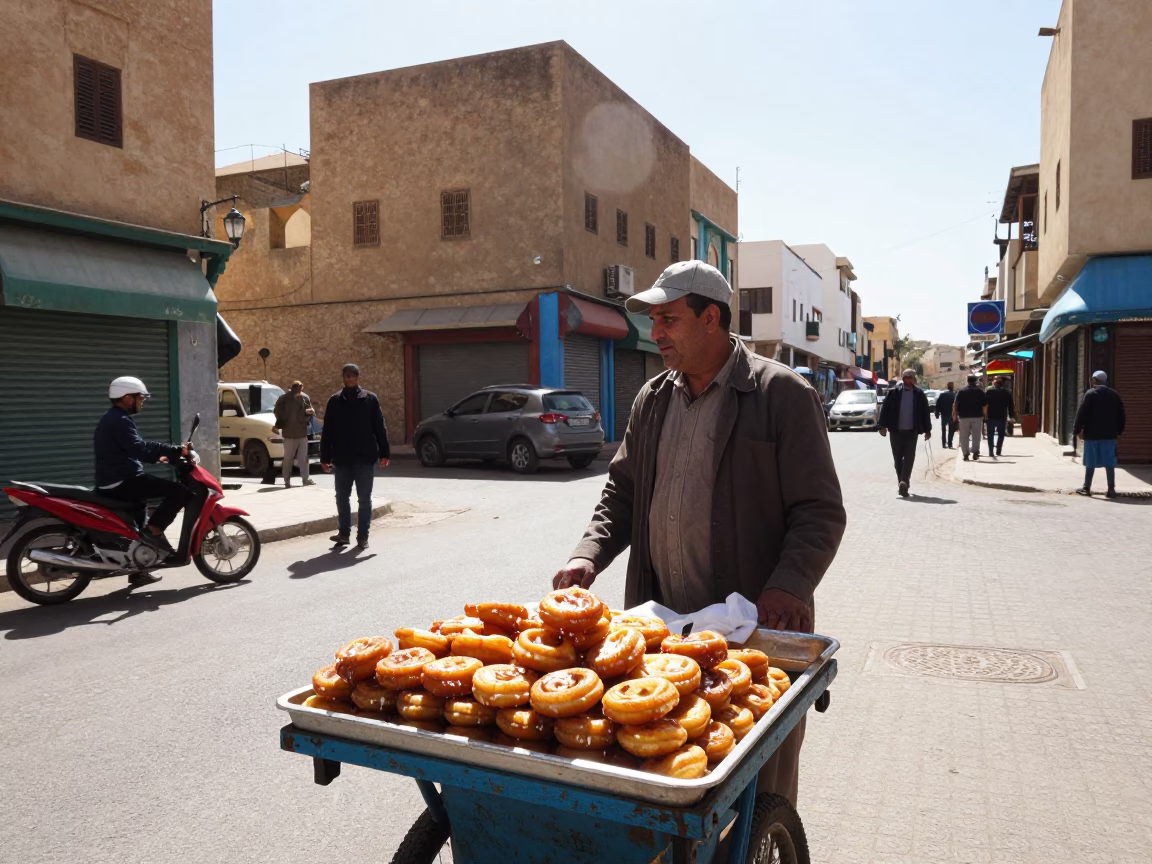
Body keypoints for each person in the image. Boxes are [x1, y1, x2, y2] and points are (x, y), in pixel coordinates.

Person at [552, 260, 846, 807]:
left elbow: (820, 511)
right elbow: (622, 492)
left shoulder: (781, 394)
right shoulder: (653, 399)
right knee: (671, 776)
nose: (656, 332)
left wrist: (788, 585)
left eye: (668, 319)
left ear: (711, 318)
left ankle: (771, 841)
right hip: (665, 632)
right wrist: (588, 554)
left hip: (752, 631)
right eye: (654, 321)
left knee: (760, 788)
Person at [94, 376, 190, 580]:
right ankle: (154, 532)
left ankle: (139, 569)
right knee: (179, 491)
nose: (143, 401)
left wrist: (164, 454)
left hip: (116, 478)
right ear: (127, 398)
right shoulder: (119, 421)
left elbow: (136, 447)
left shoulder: (115, 418)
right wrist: (172, 451)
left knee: (140, 514)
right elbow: (139, 449)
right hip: (121, 480)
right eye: (140, 397)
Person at [320, 364, 390, 549]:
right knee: (342, 498)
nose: (349, 378)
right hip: (342, 459)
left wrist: (385, 452)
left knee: (364, 499)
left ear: (359, 378)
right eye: (346, 375)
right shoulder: (335, 401)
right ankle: (344, 534)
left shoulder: (370, 399)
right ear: (343, 377)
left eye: (353, 375)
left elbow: (379, 427)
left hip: (365, 458)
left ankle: (363, 536)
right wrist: (325, 458)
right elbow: (328, 431)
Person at [877, 369, 932, 498]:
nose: (909, 379)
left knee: (909, 457)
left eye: (911, 377)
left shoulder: (919, 394)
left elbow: (925, 412)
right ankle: (901, 482)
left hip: (912, 431)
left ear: (914, 379)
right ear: (903, 378)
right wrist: (882, 426)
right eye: (907, 377)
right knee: (897, 458)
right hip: (896, 431)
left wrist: (927, 429)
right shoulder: (893, 393)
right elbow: (885, 409)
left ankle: (904, 482)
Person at [1074, 370, 1126, 498]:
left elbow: (1082, 413)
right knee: (1109, 462)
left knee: (1090, 461)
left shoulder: (1090, 394)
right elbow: (1121, 414)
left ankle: (1086, 488)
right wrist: (1119, 430)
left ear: (1093, 380)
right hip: (1109, 435)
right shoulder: (1114, 395)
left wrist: (1077, 430)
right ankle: (1111, 489)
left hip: (1092, 434)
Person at [273, 381, 316, 488]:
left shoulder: (304, 398)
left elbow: (311, 411)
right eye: (297, 389)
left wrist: (309, 412)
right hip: (289, 434)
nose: (299, 392)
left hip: (301, 433)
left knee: (303, 458)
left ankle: (305, 479)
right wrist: (282, 421)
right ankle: (286, 481)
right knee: (288, 459)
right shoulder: (284, 399)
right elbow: (276, 411)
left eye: (300, 389)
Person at [952, 375, 987, 461]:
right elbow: (984, 406)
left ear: (967, 381)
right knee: (976, 435)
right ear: (976, 381)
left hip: (964, 417)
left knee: (964, 436)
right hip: (977, 417)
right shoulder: (980, 391)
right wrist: (985, 416)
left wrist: (954, 415)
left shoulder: (961, 391)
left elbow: (955, 404)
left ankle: (965, 454)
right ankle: (975, 451)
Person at [983, 377, 1016, 458]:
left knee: (990, 435)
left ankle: (991, 451)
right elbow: (1011, 406)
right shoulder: (1007, 392)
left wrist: (984, 416)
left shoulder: (989, 392)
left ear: (994, 384)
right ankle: (998, 450)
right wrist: (1011, 416)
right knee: (1001, 434)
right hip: (1002, 416)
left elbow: (984, 405)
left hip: (991, 416)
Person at [935, 381, 957, 449]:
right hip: (952, 415)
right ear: (953, 387)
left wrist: (937, 413)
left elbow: (938, 404)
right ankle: (950, 444)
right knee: (951, 430)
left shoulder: (943, 395)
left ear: (947, 386)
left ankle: (944, 444)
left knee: (943, 430)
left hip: (944, 414)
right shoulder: (955, 395)